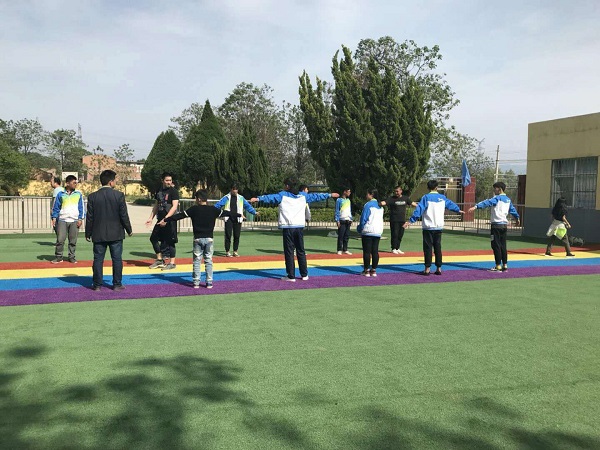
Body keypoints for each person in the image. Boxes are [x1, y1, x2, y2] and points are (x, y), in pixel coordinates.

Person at [250, 178, 339, 282]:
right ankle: (304, 274)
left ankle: (291, 276)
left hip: (288, 227)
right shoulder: (303, 195)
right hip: (299, 227)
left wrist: (258, 199)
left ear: (287, 186)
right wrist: (329, 195)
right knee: (301, 251)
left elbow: (271, 198)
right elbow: (316, 196)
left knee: (289, 252)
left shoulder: (283, 195)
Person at [160, 190, 240, 289]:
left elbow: (179, 216)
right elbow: (227, 213)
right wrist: (239, 215)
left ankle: (196, 282)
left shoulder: (193, 209)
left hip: (197, 239)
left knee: (197, 261)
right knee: (208, 261)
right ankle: (209, 282)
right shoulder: (213, 210)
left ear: (198, 199)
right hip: (209, 239)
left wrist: (166, 220)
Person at [85, 170, 133, 291]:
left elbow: (90, 217)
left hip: (98, 233)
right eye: (115, 180)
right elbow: (123, 215)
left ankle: (97, 285)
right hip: (116, 233)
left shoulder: (92, 197)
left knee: (98, 259)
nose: (115, 182)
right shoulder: (119, 195)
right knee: (117, 259)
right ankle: (117, 284)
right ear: (111, 182)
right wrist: (129, 229)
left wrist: (88, 233)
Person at [404, 180, 464, 275]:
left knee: (428, 248)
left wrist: (410, 221)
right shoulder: (442, 197)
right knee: (437, 248)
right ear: (437, 187)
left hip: (428, 227)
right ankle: (439, 268)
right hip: (438, 226)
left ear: (428, 188)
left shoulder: (426, 197)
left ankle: (427, 269)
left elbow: (419, 210)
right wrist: (458, 210)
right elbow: (450, 204)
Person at [468, 181, 520, 272]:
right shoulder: (508, 200)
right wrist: (517, 218)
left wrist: (475, 207)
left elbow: (487, 203)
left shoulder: (497, 198)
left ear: (499, 189)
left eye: (495, 189)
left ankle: (498, 265)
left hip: (496, 225)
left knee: (496, 245)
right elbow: (512, 210)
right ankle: (505, 265)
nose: (494, 190)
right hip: (504, 225)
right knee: (503, 245)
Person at [146, 172, 179, 270]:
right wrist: (150, 218)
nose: (169, 182)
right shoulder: (158, 190)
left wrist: (166, 219)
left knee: (170, 241)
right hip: (160, 219)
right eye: (167, 180)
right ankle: (160, 260)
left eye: (170, 180)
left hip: (170, 220)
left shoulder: (174, 192)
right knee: (153, 238)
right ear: (162, 180)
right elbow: (157, 205)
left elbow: (174, 206)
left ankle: (172, 263)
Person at [214, 183, 257, 257]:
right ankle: (227, 251)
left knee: (237, 236)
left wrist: (254, 212)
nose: (235, 191)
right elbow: (218, 205)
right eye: (234, 189)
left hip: (238, 218)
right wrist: (212, 211)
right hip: (228, 218)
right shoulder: (226, 197)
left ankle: (235, 251)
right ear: (231, 189)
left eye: (236, 189)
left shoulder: (241, 198)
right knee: (228, 235)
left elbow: (247, 206)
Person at [51, 175, 84, 264]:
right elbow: (56, 207)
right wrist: (54, 217)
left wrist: (80, 218)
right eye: (74, 183)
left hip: (74, 220)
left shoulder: (78, 194)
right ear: (68, 183)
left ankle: (71, 257)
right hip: (62, 219)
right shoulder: (61, 194)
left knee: (73, 241)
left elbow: (81, 207)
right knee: (60, 240)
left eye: (76, 183)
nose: (75, 184)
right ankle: (58, 257)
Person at [357, 189, 384, 277]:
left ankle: (366, 270)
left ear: (371, 195)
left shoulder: (368, 205)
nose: (366, 196)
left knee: (367, 251)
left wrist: (360, 228)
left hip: (368, 230)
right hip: (378, 230)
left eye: (367, 194)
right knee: (375, 251)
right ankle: (374, 270)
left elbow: (363, 218)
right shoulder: (380, 205)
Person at [385, 186, 417, 254]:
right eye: (395, 191)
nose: (396, 193)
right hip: (394, 220)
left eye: (397, 191)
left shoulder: (405, 198)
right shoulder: (392, 199)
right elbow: (384, 203)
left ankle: (397, 248)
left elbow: (412, 203)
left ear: (401, 191)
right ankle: (393, 248)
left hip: (402, 220)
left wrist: (421, 206)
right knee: (395, 234)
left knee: (400, 234)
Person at [335, 187, 353, 255]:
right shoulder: (339, 200)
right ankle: (339, 249)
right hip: (342, 220)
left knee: (346, 236)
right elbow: (337, 210)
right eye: (348, 191)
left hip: (348, 220)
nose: (349, 193)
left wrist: (351, 218)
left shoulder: (348, 200)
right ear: (344, 192)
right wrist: (337, 220)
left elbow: (349, 210)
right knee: (341, 235)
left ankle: (345, 249)